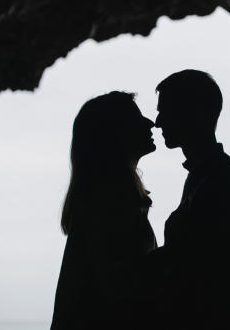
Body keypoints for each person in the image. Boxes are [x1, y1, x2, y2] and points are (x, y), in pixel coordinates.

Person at [50, 91, 167, 330]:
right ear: (112, 134)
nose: (150, 123)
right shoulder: (108, 194)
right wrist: (176, 254)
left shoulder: (106, 193)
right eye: (135, 119)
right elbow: (118, 285)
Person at [155, 70, 230, 330]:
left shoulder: (218, 181)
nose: (157, 122)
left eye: (166, 110)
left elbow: (204, 280)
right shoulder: (208, 176)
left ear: (195, 113)